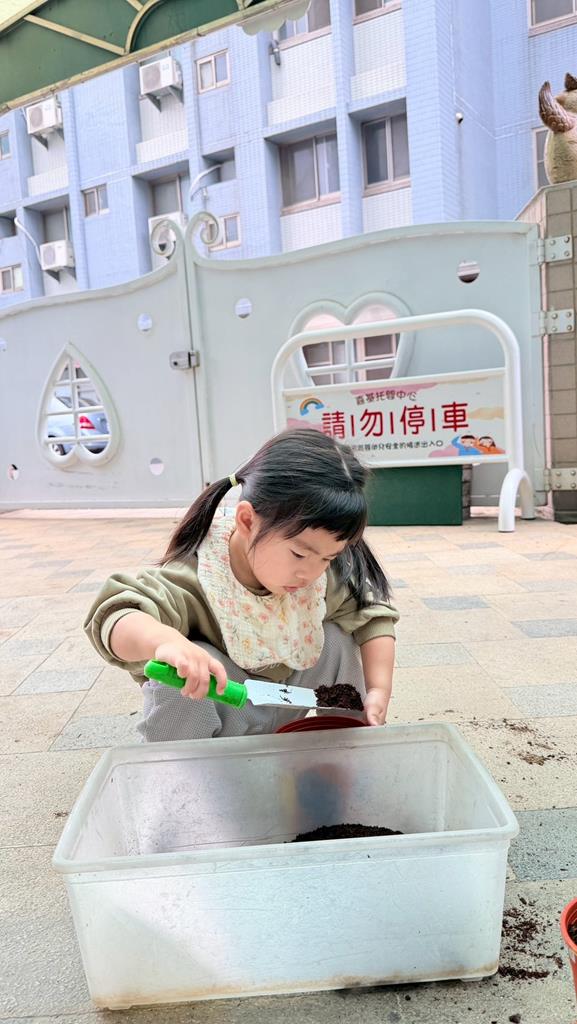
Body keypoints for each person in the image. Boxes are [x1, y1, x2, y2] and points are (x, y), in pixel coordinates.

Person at [84, 429, 398, 740]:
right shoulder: (200, 575)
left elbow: (371, 615)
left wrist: (378, 689)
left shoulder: (316, 575)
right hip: (223, 706)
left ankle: (347, 745)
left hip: (288, 700)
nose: (311, 574)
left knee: (337, 639)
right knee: (183, 675)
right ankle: (177, 765)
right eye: (299, 554)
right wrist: (166, 642)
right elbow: (117, 613)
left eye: (328, 558)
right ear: (247, 521)